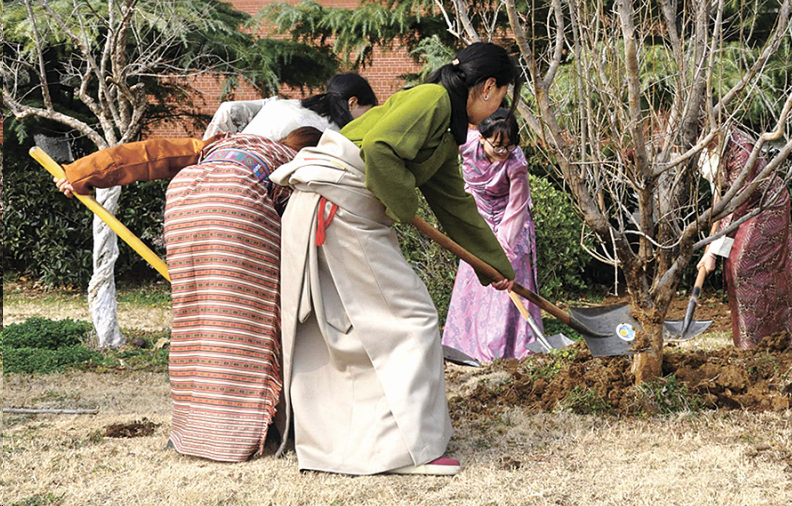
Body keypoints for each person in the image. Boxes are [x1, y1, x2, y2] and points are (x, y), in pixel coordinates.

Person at [271, 42, 521, 477]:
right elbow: (382, 153)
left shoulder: (444, 133)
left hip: (335, 208)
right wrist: (405, 209)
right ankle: (409, 451)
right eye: (504, 95)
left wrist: (496, 267)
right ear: (488, 87)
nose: (502, 105)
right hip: (340, 208)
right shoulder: (432, 100)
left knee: (350, 329)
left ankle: (351, 445)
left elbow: (455, 206)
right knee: (412, 319)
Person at [57, 126, 324, 462]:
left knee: (196, 320)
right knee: (246, 324)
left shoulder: (227, 142)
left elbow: (152, 154)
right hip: (239, 202)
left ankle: (192, 429)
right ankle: (242, 432)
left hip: (184, 199)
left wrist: (80, 173)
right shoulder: (303, 165)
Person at [441, 108, 544, 362]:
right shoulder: (466, 143)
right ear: (482, 138)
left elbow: (517, 209)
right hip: (477, 221)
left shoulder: (516, 162)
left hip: (511, 223)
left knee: (508, 282)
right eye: (497, 146)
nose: (503, 152)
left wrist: (501, 256)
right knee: (474, 280)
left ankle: (508, 350)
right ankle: (464, 347)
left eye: (509, 146)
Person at [697, 127, 792, 349]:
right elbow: (721, 198)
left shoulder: (742, 149)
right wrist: (708, 249)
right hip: (741, 205)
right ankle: (748, 342)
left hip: (767, 206)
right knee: (733, 265)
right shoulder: (708, 148)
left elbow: (736, 206)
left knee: (744, 266)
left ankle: (769, 340)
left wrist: (713, 252)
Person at [203, 72, 377, 140]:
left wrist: (207, 151)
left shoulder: (278, 103)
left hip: (221, 162)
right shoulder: (335, 136)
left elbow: (228, 109)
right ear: (352, 103)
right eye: (367, 112)